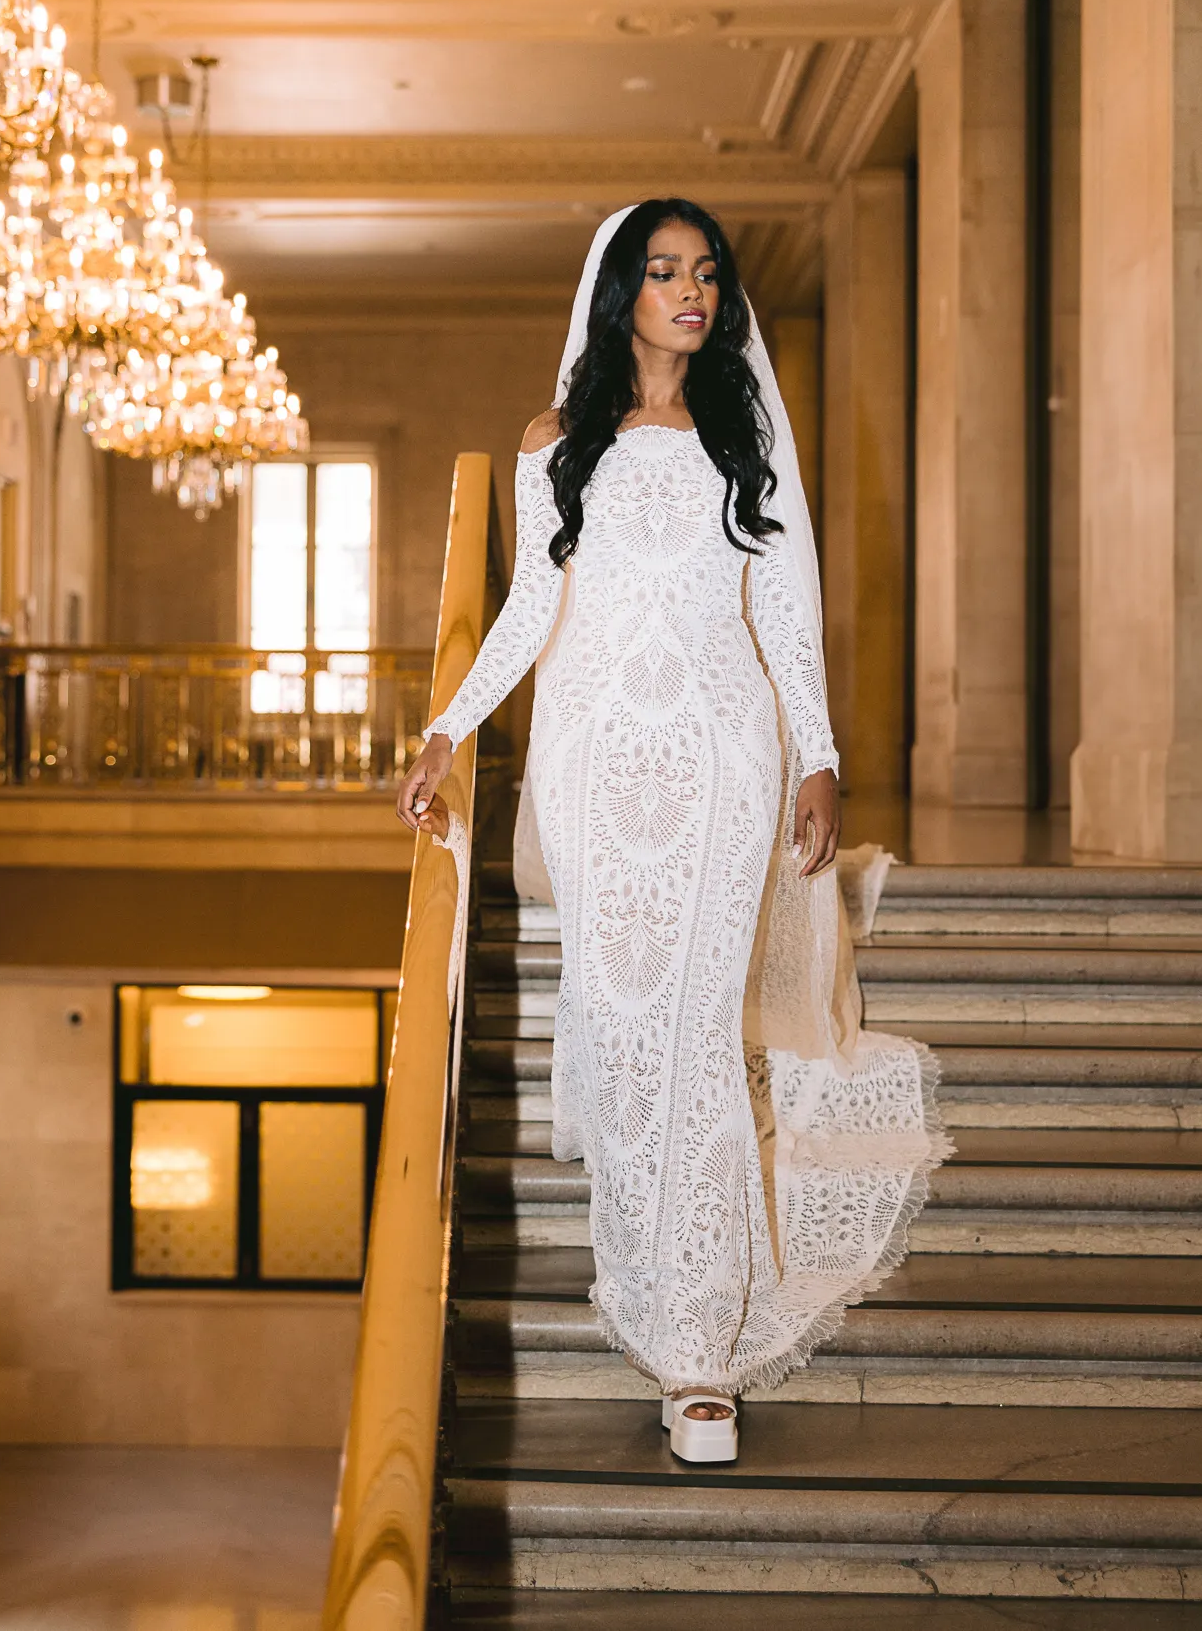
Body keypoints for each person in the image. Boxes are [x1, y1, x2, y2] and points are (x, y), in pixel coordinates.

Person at [397, 200, 946, 1465]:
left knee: (693, 1033)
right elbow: (531, 609)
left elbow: (788, 613)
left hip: (720, 754)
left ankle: (697, 1356)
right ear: (620, 295)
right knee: (624, 1028)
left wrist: (819, 754)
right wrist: (448, 730)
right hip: (595, 760)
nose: (690, 293)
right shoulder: (554, 444)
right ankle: (647, 1288)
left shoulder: (745, 437)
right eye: (663, 273)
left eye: (705, 274)